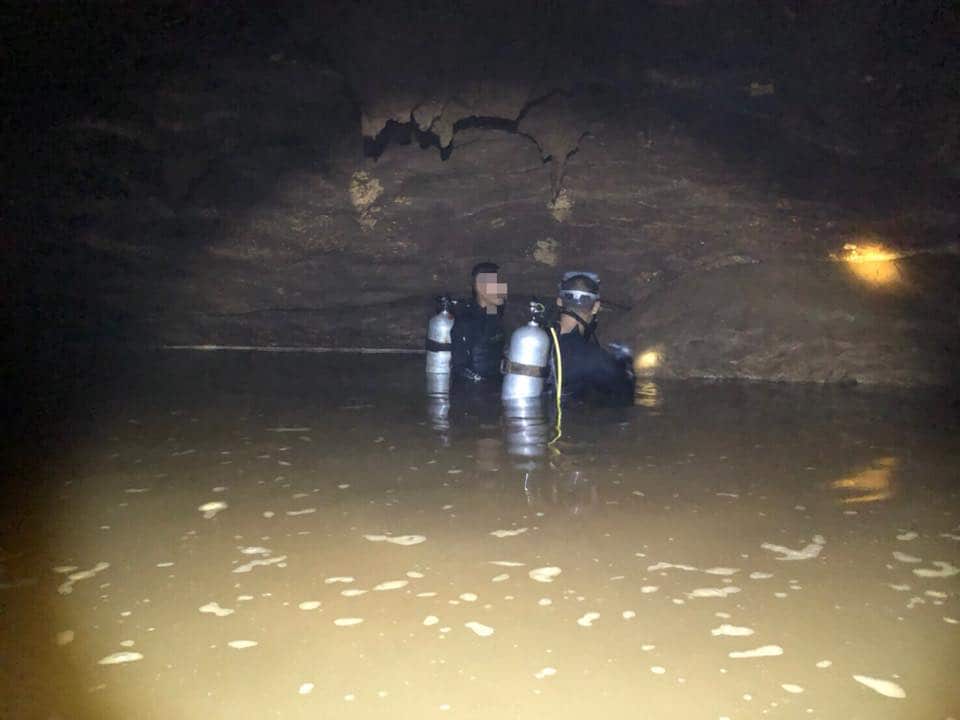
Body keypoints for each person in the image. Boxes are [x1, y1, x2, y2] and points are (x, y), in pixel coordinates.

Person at [551, 271, 634, 400]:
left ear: (559, 302)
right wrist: (627, 365)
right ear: (595, 307)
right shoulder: (597, 360)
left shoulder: (533, 342)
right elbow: (625, 399)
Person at [450, 262, 507, 381]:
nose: (502, 290)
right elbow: (459, 366)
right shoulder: (466, 319)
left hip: (496, 383)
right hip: (472, 389)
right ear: (479, 287)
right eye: (496, 285)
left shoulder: (495, 313)